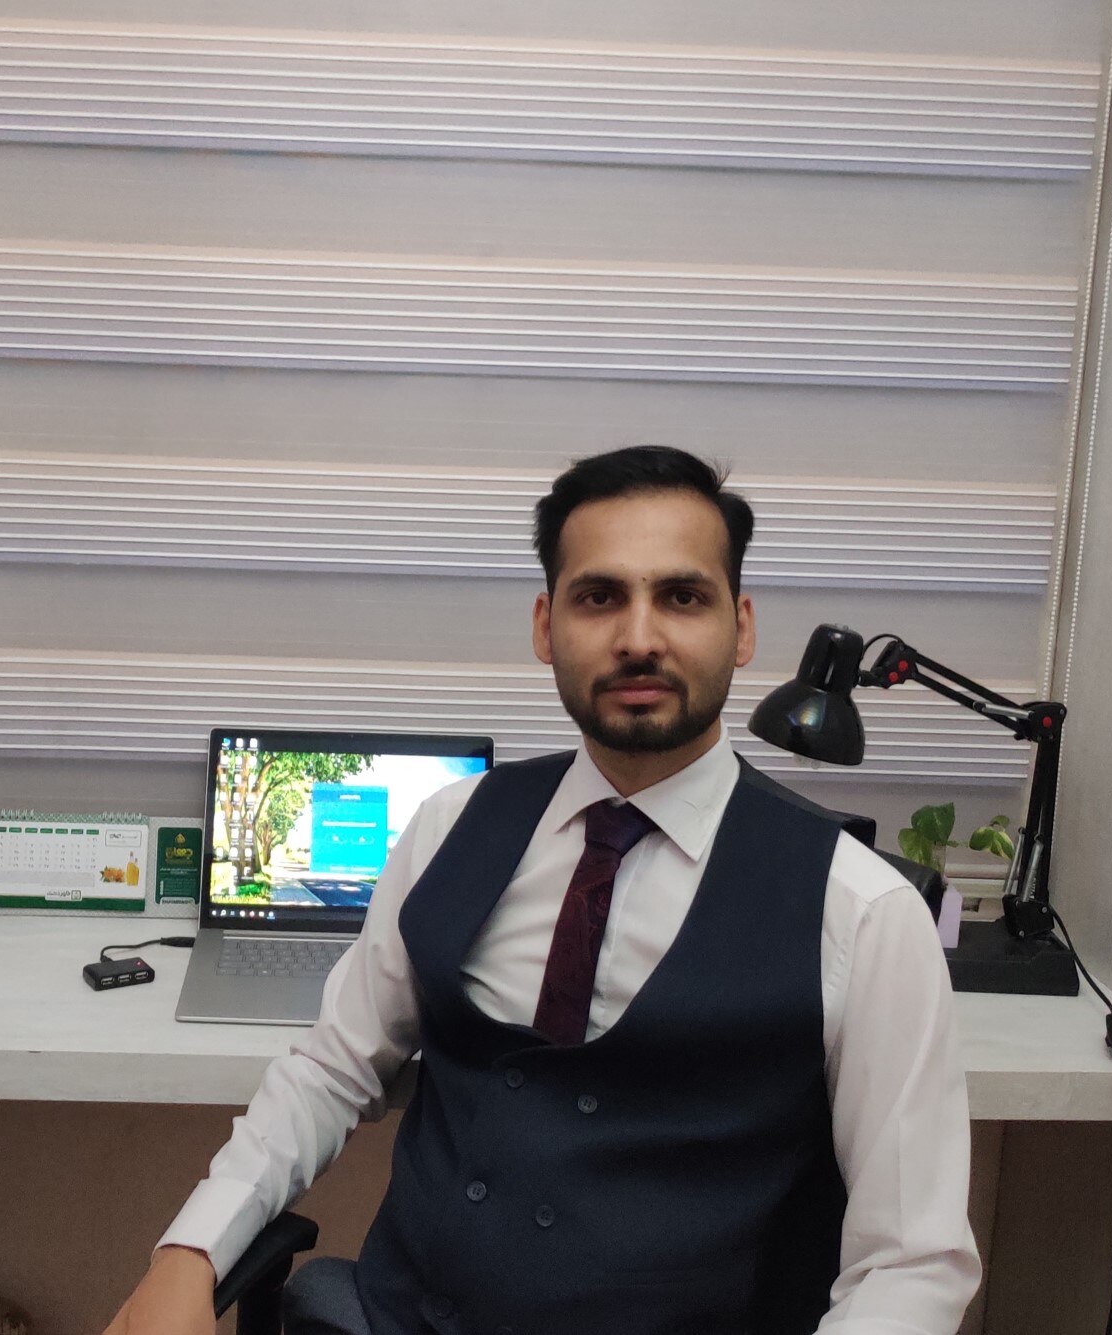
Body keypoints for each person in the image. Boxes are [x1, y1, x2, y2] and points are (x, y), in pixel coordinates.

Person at [102, 446, 980, 1335]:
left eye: (682, 595)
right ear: (544, 624)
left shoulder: (861, 913)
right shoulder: (453, 827)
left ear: (743, 627)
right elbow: (334, 1067)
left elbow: (911, 1263)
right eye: (599, 596)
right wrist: (191, 1249)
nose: (639, 635)